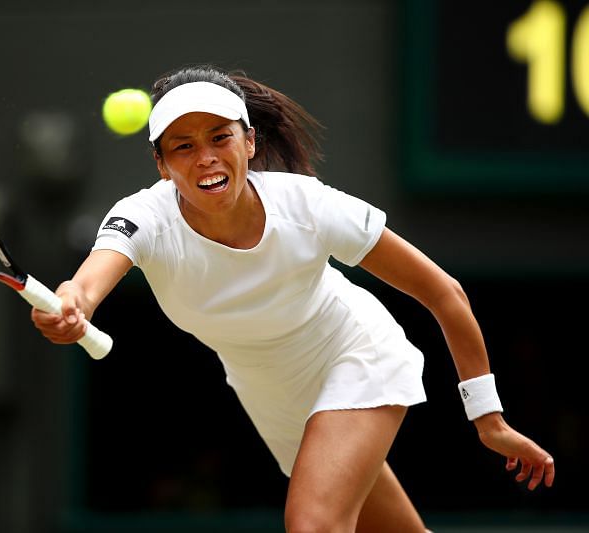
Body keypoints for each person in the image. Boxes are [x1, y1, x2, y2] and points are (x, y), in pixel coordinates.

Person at [31, 65, 555, 532]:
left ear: (250, 143)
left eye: (220, 137)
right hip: (270, 396)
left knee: (313, 525)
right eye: (184, 146)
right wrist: (72, 305)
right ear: (162, 165)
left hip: (354, 353)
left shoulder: (309, 206)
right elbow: (86, 285)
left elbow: (445, 293)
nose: (206, 157)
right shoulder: (143, 218)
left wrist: (489, 418)